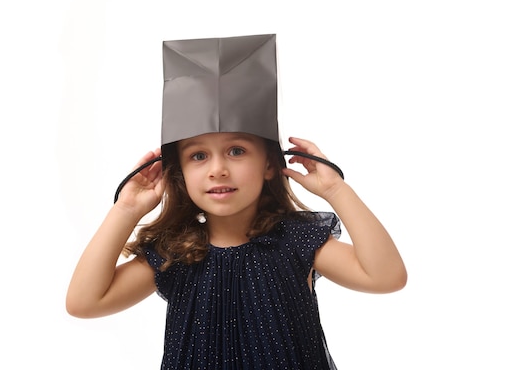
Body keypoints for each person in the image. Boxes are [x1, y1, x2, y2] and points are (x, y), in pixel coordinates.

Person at [65, 34, 407, 369]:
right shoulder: (176, 254)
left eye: (237, 151)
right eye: (198, 156)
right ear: (179, 173)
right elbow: (84, 302)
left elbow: (386, 276)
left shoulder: (294, 242)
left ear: (270, 164)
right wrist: (126, 209)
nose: (218, 170)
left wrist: (336, 190)